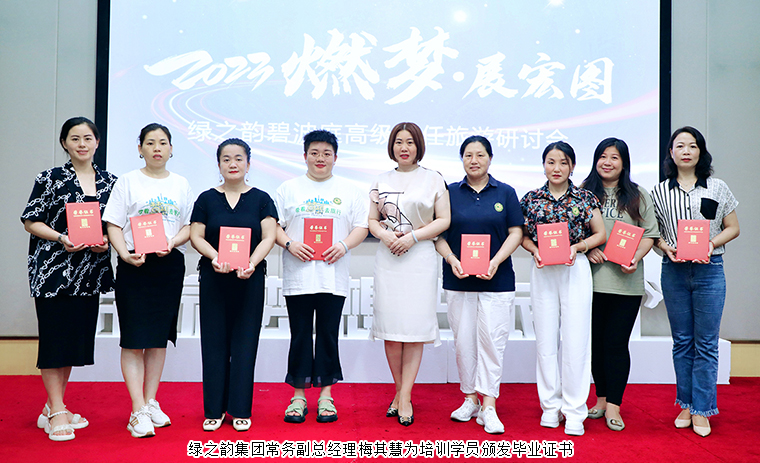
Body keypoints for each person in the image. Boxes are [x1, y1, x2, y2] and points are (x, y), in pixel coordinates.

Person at [21, 117, 117, 441]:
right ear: (64, 143)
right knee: (54, 340)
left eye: (87, 138)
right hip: (53, 272)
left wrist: (106, 241)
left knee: (73, 342)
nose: (81, 144)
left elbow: (114, 226)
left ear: (97, 142)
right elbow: (31, 220)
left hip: (89, 274)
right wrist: (61, 237)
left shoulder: (110, 182)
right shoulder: (49, 178)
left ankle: (52, 406)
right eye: (74, 138)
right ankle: (59, 410)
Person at [103, 123, 194, 438]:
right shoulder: (128, 181)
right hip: (135, 265)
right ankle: (137, 408)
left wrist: (173, 241)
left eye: (163, 142)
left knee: (157, 338)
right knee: (134, 339)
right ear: (140, 148)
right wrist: (124, 254)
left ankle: (151, 400)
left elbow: (189, 226)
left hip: (168, 266)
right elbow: (113, 224)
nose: (157, 148)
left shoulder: (181, 183)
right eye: (151, 142)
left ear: (171, 149)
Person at [274, 130, 369, 424]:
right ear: (304, 156)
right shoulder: (288, 189)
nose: (320, 158)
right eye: (314, 153)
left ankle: (326, 395)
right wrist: (289, 243)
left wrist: (344, 245)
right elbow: (273, 226)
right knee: (300, 334)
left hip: (332, 275)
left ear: (335, 158)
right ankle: (298, 396)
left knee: (328, 334)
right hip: (298, 275)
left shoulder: (350, 190)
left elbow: (362, 227)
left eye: (327, 153)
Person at [650, 126, 739, 438]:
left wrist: (711, 244)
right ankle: (686, 403)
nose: (686, 151)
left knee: (706, 343)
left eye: (692, 145)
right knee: (682, 341)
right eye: (680, 146)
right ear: (671, 153)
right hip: (674, 271)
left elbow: (733, 227)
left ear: (701, 151)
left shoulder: (717, 187)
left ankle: (703, 408)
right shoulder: (659, 192)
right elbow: (654, 233)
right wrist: (665, 247)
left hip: (709, 271)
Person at [434, 136, 523, 434]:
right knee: (464, 342)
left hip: (497, 279)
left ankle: (489, 405)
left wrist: (495, 261)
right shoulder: (449, 193)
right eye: (468, 155)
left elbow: (515, 232)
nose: (474, 160)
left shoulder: (506, 192)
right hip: (458, 279)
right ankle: (469, 399)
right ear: (461, 159)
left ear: (490, 158)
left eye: (480, 155)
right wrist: (451, 259)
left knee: (492, 342)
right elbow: (439, 235)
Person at [189, 138, 277, 432]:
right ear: (218, 165)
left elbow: (269, 236)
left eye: (239, 158)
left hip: (250, 278)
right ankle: (214, 409)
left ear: (248, 164)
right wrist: (215, 257)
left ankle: (240, 409)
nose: (233, 164)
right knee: (213, 343)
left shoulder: (262, 199)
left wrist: (251, 262)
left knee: (245, 343)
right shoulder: (206, 199)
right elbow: (196, 236)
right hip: (214, 278)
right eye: (226, 159)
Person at [520, 141, 606, 436]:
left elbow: (600, 233)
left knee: (576, 340)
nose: (556, 168)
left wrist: (577, 247)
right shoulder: (531, 199)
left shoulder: (585, 197)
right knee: (545, 340)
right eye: (551, 162)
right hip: (543, 269)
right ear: (543, 165)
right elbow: (523, 236)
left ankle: (574, 410)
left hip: (575, 269)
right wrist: (535, 250)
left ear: (572, 166)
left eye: (563, 162)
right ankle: (549, 406)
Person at [368, 122, 450, 426]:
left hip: (419, 258)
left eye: (410, 142)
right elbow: (372, 220)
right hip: (389, 257)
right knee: (391, 329)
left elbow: (443, 220)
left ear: (419, 147)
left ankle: (404, 397)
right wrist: (385, 235)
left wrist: (412, 237)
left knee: (414, 330)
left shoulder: (433, 179)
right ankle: (400, 392)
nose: (404, 148)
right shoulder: (381, 179)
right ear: (392, 147)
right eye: (399, 142)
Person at [580, 138, 659, 431]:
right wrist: (588, 249)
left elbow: (649, 234)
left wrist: (635, 257)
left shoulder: (638, 194)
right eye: (602, 156)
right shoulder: (583, 193)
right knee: (595, 345)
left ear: (624, 163)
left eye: (614, 157)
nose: (607, 162)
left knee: (615, 344)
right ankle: (600, 400)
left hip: (626, 283)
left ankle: (614, 404)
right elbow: (573, 233)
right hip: (588, 282)